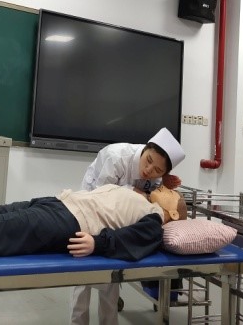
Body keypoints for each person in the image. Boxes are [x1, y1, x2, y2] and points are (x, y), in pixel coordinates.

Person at [0, 182, 187, 262]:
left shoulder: (154, 216)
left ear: (173, 213)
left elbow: (137, 239)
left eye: (171, 194)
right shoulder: (140, 195)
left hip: (69, 222)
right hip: (57, 204)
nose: (165, 189)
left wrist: (98, 243)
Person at [70, 127, 186, 325]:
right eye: (148, 161)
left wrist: (161, 183)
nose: (149, 171)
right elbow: (101, 197)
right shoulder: (115, 157)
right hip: (91, 208)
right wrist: (132, 191)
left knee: (112, 274)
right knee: (83, 276)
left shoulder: (157, 175)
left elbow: (152, 197)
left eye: (158, 170)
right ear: (145, 149)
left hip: (122, 218)